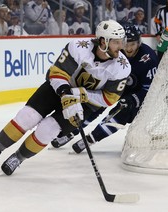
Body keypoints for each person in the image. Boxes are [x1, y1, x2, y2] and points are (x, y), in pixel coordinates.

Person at [0, 20, 130, 175]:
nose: (121, 47)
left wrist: (79, 95)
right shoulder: (78, 47)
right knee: (27, 117)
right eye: (116, 42)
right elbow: (57, 73)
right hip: (57, 88)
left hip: (86, 104)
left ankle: (19, 157)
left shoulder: (122, 67)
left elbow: (108, 99)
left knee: (48, 130)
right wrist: (66, 93)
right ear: (103, 41)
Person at [50, 24, 159, 153]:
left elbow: (150, 89)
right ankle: (72, 131)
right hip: (113, 87)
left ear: (139, 43)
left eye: (133, 44)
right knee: (95, 105)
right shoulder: (116, 51)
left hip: (134, 93)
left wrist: (133, 99)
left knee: (122, 112)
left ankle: (92, 138)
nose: (129, 48)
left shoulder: (149, 58)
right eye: (127, 44)